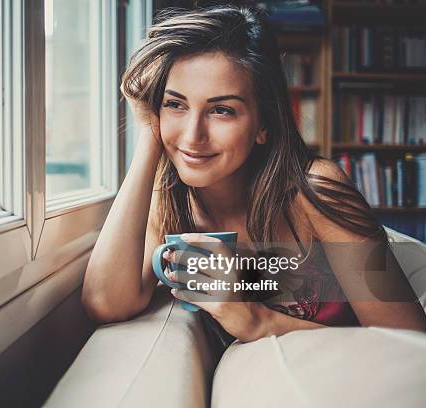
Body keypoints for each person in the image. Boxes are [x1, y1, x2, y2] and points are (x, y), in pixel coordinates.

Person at [81, 3, 426, 344]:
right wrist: (149, 134)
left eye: (221, 110)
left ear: (263, 123)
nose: (191, 136)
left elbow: (408, 339)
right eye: (175, 104)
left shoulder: (315, 189)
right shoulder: (170, 196)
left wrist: (258, 321)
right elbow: (105, 303)